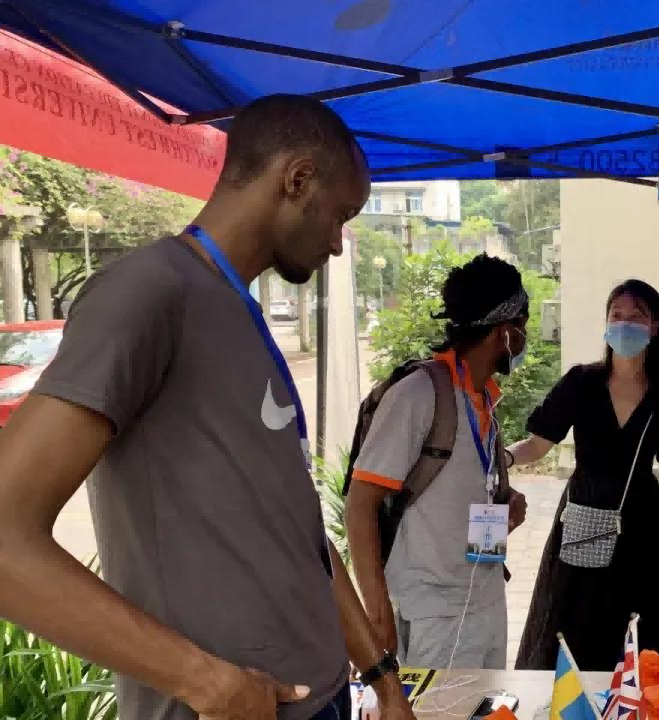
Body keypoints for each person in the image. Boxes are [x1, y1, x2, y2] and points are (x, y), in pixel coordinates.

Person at [0, 94, 415, 719]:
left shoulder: (236, 309)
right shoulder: (149, 291)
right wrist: (206, 682)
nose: (336, 243)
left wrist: (382, 680)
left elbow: (298, 529)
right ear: (297, 179)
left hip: (323, 697)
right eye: (340, 215)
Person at [346, 255, 530, 670]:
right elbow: (360, 504)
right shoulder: (418, 395)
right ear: (504, 332)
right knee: (437, 706)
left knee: (486, 703)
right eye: (523, 324)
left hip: (485, 598)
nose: (524, 337)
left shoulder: (481, 398)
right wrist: (377, 614)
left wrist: (503, 509)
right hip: (434, 615)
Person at [507, 279, 659, 669]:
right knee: (572, 622)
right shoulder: (581, 382)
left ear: (655, 326)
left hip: (641, 521)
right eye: (616, 315)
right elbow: (538, 446)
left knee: (640, 624)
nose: (624, 324)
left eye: (636, 317)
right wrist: (501, 458)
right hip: (584, 511)